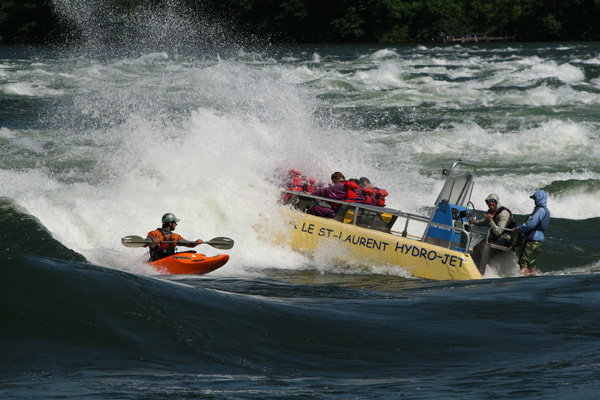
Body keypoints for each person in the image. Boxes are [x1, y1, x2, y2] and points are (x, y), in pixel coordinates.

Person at [470, 194, 516, 268]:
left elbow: (498, 232)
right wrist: (473, 221)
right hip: (497, 238)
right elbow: (483, 222)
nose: (490, 202)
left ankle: (481, 269)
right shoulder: (493, 212)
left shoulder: (503, 213)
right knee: (476, 248)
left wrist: (490, 220)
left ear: (496, 202)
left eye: (492, 201)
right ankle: (480, 267)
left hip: (505, 239)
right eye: (488, 201)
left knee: (483, 246)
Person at [513, 190, 550, 276]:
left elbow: (529, 225)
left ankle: (523, 282)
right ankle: (531, 281)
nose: (534, 201)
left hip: (532, 239)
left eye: (535, 199)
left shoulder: (539, 210)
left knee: (523, 264)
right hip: (539, 240)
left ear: (539, 199)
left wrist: (518, 229)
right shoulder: (546, 211)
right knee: (532, 265)